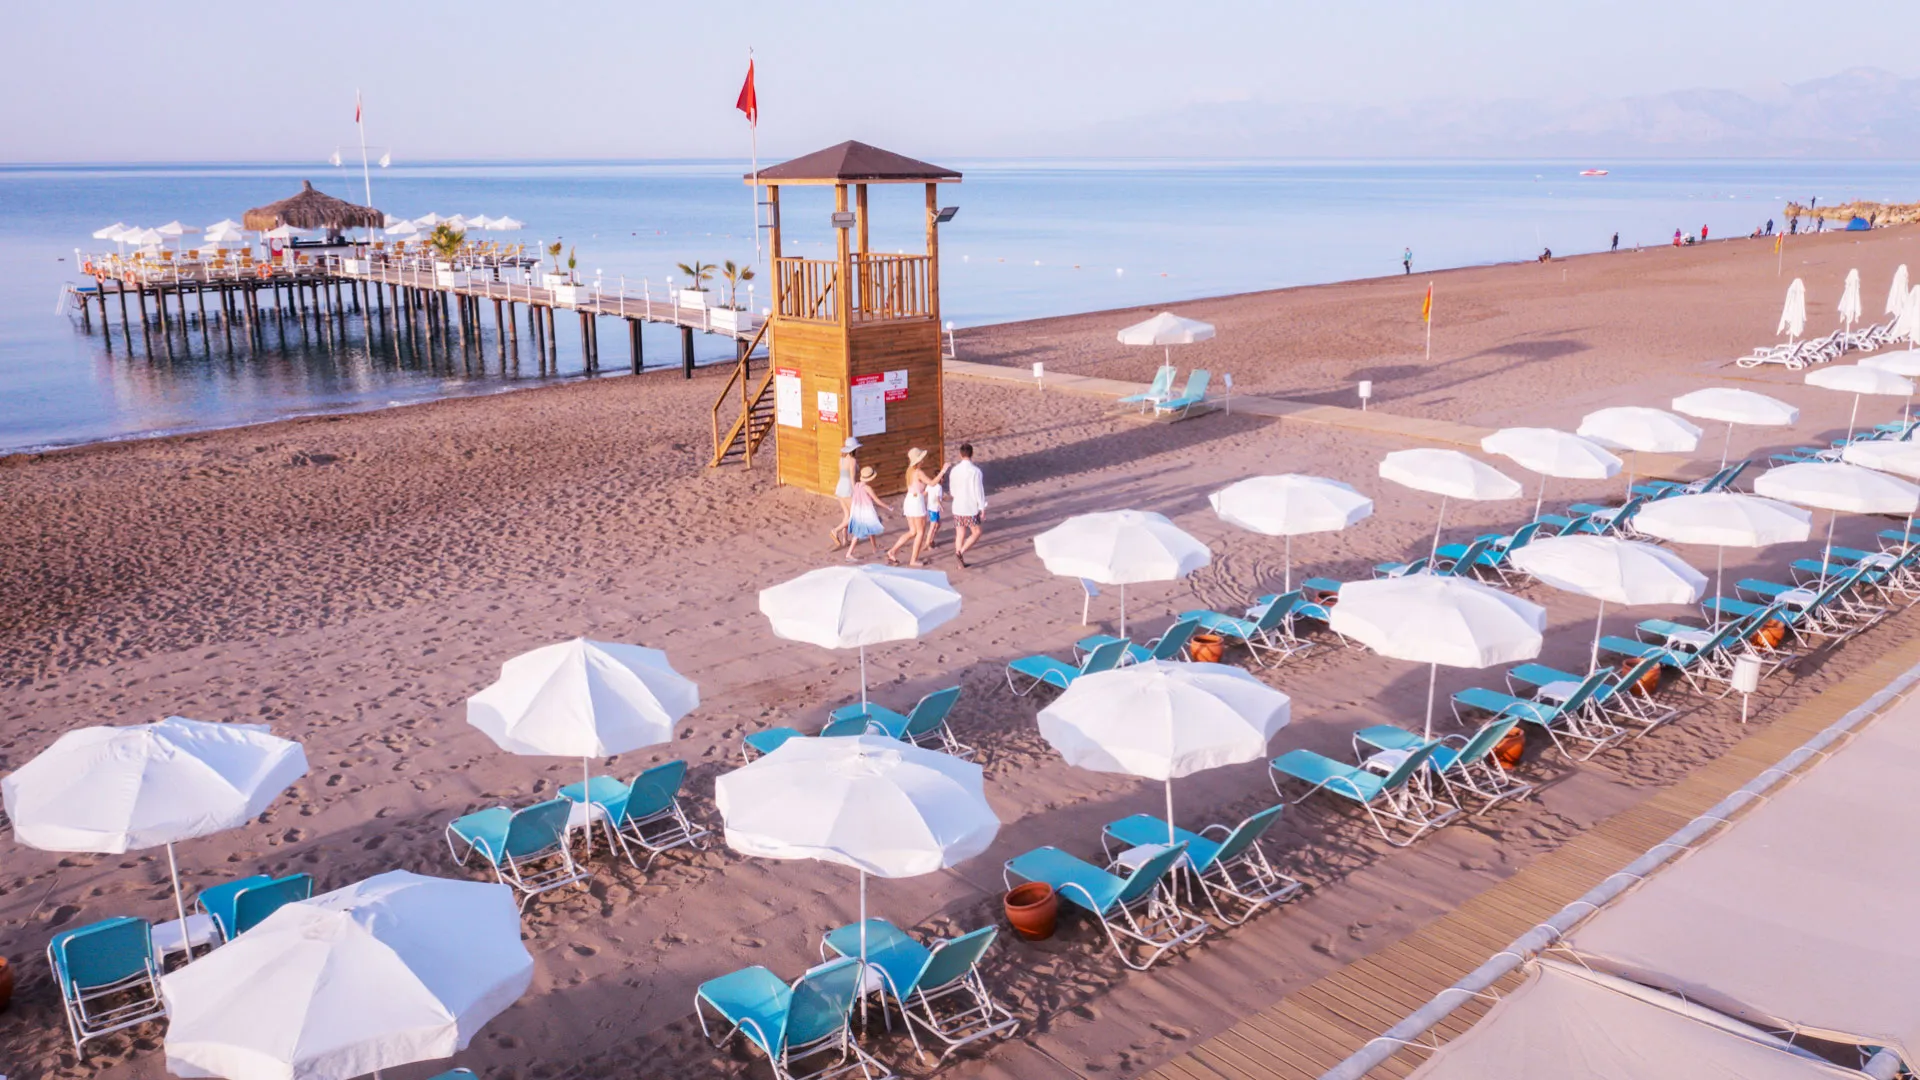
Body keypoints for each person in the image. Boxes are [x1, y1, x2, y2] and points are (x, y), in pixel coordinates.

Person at [886, 448, 948, 568]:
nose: (923, 461)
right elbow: (932, 483)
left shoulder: (909, 471)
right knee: (920, 532)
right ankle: (913, 560)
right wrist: (943, 471)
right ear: (917, 461)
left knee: (912, 531)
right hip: (916, 501)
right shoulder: (918, 472)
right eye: (921, 459)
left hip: (909, 499)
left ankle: (892, 551)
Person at [947, 443, 987, 568]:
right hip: (970, 507)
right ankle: (961, 552)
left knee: (960, 534)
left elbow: (952, 490)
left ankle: (960, 562)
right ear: (972, 454)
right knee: (977, 532)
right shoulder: (976, 471)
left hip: (958, 506)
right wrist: (982, 507)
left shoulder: (954, 470)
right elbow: (979, 491)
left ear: (960, 454)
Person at [844, 466, 887, 560]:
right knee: (858, 534)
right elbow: (877, 500)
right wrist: (887, 507)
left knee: (871, 529)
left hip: (858, 511)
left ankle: (875, 548)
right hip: (865, 512)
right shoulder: (867, 488)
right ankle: (849, 554)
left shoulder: (857, 485)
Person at [830, 437, 861, 549]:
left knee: (847, 514)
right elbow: (852, 478)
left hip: (840, 487)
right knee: (853, 515)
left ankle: (845, 539)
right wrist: (856, 491)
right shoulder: (852, 461)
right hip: (848, 488)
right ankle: (835, 531)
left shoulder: (841, 459)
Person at [923, 476, 945, 550]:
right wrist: (941, 506)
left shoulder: (930, 485)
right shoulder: (939, 487)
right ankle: (927, 543)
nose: (943, 479)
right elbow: (937, 499)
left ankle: (931, 540)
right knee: (932, 527)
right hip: (934, 509)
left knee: (938, 524)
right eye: (942, 478)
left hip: (930, 508)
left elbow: (924, 494)